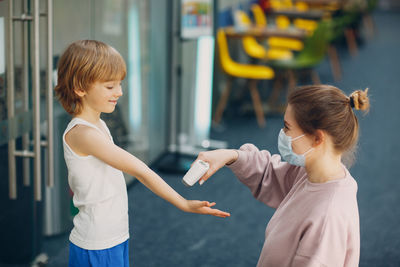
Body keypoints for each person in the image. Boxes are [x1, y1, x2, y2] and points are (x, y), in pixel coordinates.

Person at [54, 40, 230, 267]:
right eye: (110, 86)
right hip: (97, 244)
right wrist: (183, 204)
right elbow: (140, 170)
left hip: (112, 237)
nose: (119, 92)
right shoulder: (83, 134)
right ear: (80, 88)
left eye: (119, 84)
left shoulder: (98, 125)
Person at [195, 85, 369, 266]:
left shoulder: (326, 220)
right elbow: (271, 174)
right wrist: (231, 156)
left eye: (287, 127)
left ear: (317, 138)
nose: (282, 134)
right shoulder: (315, 172)